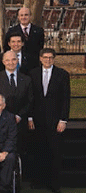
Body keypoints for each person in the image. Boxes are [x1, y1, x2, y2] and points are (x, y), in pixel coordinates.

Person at [28, 48, 70, 192]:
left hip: (55, 120)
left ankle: (54, 183)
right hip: (37, 119)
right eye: (45, 57)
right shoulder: (33, 74)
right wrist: (29, 117)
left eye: (51, 57)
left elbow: (66, 99)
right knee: (38, 150)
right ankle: (38, 181)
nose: (48, 60)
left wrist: (63, 120)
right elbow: (30, 98)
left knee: (55, 152)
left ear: (54, 59)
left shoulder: (62, 75)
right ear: (40, 58)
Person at [0, 51, 33, 126]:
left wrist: (19, 115)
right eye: (7, 60)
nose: (11, 62)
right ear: (3, 62)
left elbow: (29, 100)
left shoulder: (26, 79)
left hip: (21, 122)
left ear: (17, 61)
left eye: (13, 59)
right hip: (1, 122)